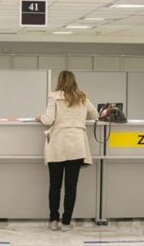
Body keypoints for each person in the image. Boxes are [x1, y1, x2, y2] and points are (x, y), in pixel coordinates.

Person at [36, 70, 99, 232]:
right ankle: (66, 222)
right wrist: (77, 119)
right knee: (71, 186)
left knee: (55, 185)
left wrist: (40, 117)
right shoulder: (82, 97)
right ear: (74, 81)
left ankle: (53, 221)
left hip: (58, 143)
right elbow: (95, 114)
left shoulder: (54, 96)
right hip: (77, 144)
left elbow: (48, 119)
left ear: (59, 81)